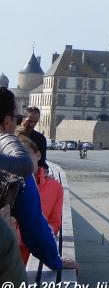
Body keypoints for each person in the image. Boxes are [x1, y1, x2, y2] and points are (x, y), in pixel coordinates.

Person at [0, 88, 75, 272]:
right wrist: (55, 261)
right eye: (16, 117)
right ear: (8, 120)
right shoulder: (10, 149)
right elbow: (34, 226)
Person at [14, 134, 62, 265]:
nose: (21, 160)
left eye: (26, 154)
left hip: (35, 257)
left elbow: (55, 223)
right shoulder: (7, 184)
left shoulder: (55, 187)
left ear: (38, 155)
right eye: (16, 156)